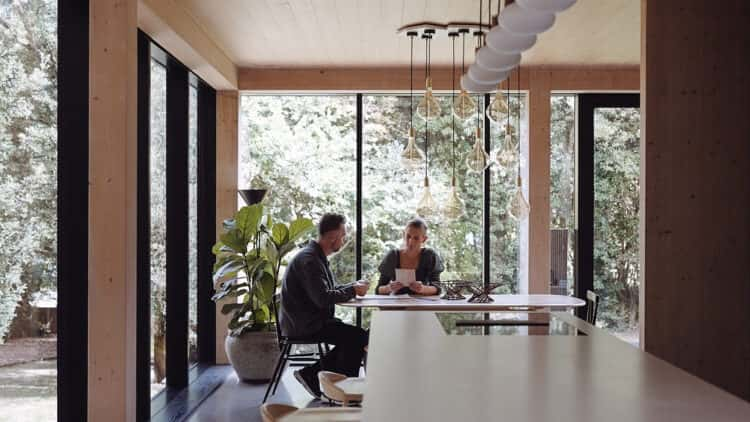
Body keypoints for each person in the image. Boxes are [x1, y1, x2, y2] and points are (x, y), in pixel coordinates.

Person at [279, 213, 370, 399]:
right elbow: (322, 298)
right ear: (332, 237)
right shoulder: (310, 260)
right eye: (342, 236)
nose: (343, 240)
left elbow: (328, 290)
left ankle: (317, 376)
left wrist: (352, 287)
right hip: (306, 325)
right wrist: (353, 290)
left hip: (308, 320)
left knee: (356, 337)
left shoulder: (315, 257)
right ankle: (342, 390)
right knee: (358, 337)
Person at [376, 218, 444, 295]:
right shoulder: (393, 256)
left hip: (422, 304)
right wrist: (389, 288)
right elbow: (378, 290)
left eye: (416, 238)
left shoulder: (429, 256)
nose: (411, 241)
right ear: (403, 235)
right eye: (408, 236)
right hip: (396, 304)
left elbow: (437, 288)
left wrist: (422, 289)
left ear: (424, 239)